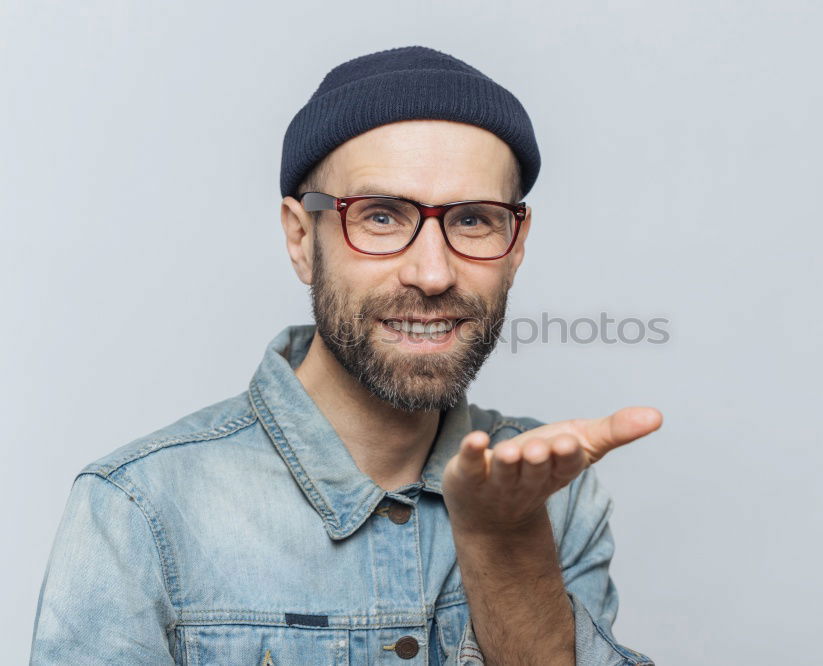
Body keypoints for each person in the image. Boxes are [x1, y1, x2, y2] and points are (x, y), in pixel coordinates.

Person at [30, 45, 662, 665]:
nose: (433, 273)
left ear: (516, 245)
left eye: (473, 220)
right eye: (381, 217)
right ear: (301, 238)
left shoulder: (548, 495)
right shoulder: (139, 508)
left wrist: (503, 540)